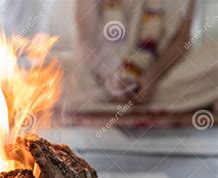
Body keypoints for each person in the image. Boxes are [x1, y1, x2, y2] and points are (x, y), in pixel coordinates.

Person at [63, 0, 217, 114]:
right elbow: (86, 39)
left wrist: (151, 77)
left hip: (162, 72)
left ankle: (121, 97)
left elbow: (182, 39)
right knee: (53, 68)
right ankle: (193, 98)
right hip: (99, 71)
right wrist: (111, 76)